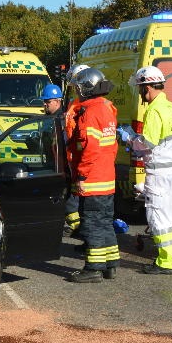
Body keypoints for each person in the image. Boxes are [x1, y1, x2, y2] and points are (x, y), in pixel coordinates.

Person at [119, 66, 172, 275]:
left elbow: (147, 143)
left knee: (157, 217)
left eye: (140, 89)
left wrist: (129, 138)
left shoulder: (154, 110)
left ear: (147, 87)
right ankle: (169, 257)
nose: (140, 94)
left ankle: (165, 262)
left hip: (159, 173)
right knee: (169, 215)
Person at [66, 67, 119, 283]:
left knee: (92, 223)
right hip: (106, 175)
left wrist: (81, 176)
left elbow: (89, 149)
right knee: (105, 221)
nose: (77, 92)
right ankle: (110, 264)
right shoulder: (107, 108)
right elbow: (111, 146)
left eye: (78, 88)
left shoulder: (90, 112)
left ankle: (93, 268)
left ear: (86, 88)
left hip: (93, 178)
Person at [62, 64, 90, 237]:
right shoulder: (75, 103)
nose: (74, 89)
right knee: (76, 196)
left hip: (82, 159)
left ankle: (82, 231)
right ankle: (79, 230)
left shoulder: (86, 106)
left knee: (83, 199)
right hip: (73, 157)